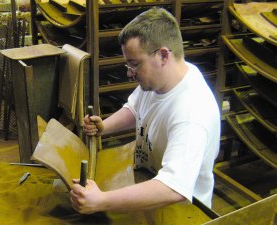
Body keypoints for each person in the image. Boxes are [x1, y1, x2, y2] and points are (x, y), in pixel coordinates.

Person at [70, 7, 220, 214]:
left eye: (134, 65)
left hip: (182, 211)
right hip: (150, 184)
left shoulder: (191, 112)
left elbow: (172, 188)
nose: (130, 74)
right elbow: (135, 108)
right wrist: (104, 127)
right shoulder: (163, 79)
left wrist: (102, 201)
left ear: (163, 55)